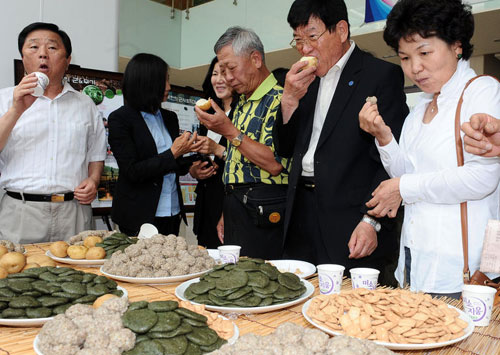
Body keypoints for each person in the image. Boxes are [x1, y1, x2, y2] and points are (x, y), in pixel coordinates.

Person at [359, 0, 500, 298]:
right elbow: (405, 175)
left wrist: (403, 187)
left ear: (456, 45)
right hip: (415, 255)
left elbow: (482, 179)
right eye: (405, 58)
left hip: (461, 265)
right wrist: (384, 137)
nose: (415, 68)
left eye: (424, 52)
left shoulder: (480, 91)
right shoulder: (420, 107)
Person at [272, 0, 408, 281]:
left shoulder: (380, 76)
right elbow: (284, 148)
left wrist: (372, 220)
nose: (304, 48)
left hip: (351, 219)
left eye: (312, 36)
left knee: (351, 311)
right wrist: (288, 100)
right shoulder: (301, 81)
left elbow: (389, 157)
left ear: (342, 30)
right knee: (300, 297)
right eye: (298, 40)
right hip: (301, 211)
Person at [0, 22, 106, 244]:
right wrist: (16, 109)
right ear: (23, 58)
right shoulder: (4, 99)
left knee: (78, 277)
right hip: (21, 211)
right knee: (17, 277)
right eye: (33, 47)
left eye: (52, 48)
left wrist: (94, 180)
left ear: (67, 61)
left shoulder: (85, 104)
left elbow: (96, 153)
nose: (42, 55)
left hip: (74, 211)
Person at [194, 27, 289, 260]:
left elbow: (276, 164)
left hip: (263, 211)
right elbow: (238, 161)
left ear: (256, 59)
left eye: (231, 68)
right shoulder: (242, 102)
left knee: (259, 284)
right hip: (235, 206)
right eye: (222, 70)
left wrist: (227, 130)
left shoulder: (281, 100)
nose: (226, 78)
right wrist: (227, 211)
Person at [108, 53, 202, 237]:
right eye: (163, 80)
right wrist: (173, 153)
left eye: (168, 80)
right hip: (139, 216)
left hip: (172, 210)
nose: (168, 86)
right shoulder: (120, 119)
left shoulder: (169, 117)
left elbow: (172, 164)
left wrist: (194, 163)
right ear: (145, 83)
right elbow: (132, 171)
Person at [190, 57, 238, 248]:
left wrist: (217, 150)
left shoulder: (243, 113)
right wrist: (195, 170)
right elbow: (199, 155)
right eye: (215, 74)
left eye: (224, 73)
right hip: (206, 204)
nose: (219, 79)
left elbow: (250, 159)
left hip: (230, 203)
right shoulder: (207, 116)